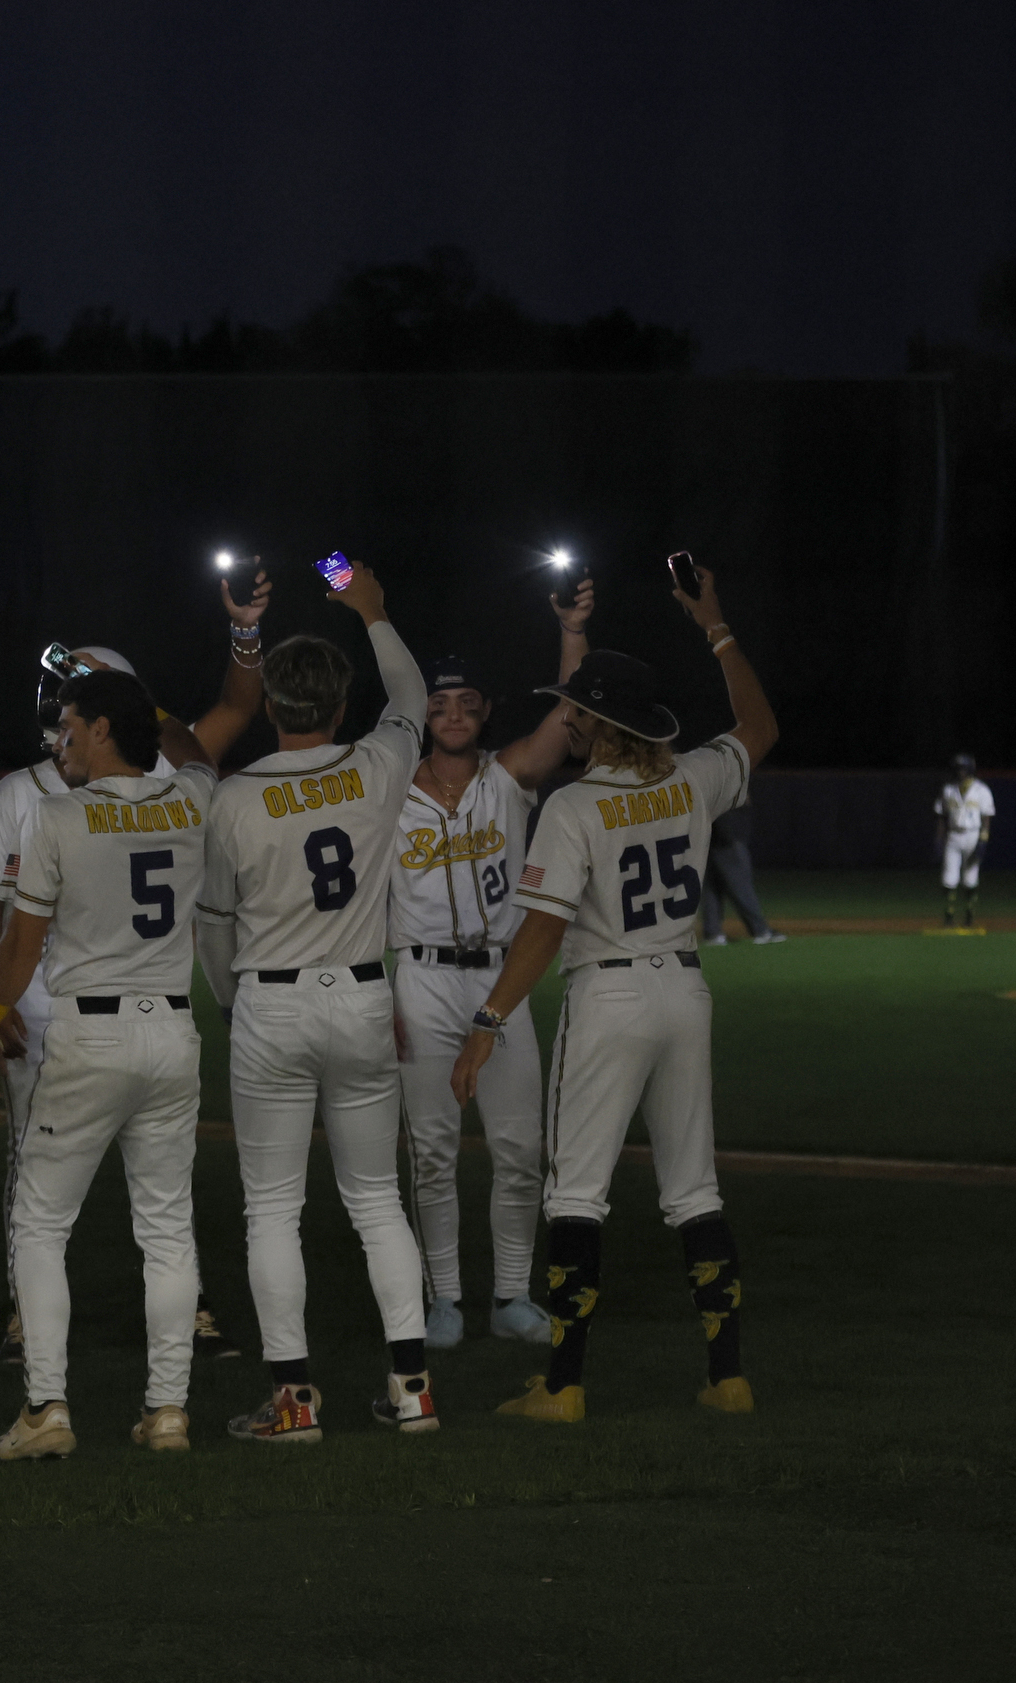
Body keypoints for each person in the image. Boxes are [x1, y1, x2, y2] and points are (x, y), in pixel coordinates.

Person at [456, 564, 777, 1421]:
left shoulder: (572, 809)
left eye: (575, 708)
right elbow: (760, 725)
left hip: (609, 999)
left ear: (596, 722)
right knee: (693, 1189)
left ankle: (561, 1387)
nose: (565, 715)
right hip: (684, 990)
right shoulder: (695, 779)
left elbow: (542, 931)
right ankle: (728, 1374)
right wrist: (715, 624)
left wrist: (488, 1019)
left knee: (574, 1194)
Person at [0, 574, 273, 1366]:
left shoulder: (57, 805)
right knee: (156, 1203)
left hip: (65, 1013)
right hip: (148, 1019)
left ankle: (44, 1372)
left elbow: (9, 927)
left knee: (43, 1200)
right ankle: (151, 1365)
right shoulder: (174, 791)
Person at [196, 560, 435, 1445]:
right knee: (376, 1200)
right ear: (338, 704)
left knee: (271, 1210)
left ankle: (292, 1400)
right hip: (364, 998)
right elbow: (407, 693)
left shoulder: (232, 799)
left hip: (273, 1004)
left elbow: (213, 929)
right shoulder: (377, 764)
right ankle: (412, 1386)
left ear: (270, 707)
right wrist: (372, 611)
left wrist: (234, 1005)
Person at [0, 670, 220, 1459]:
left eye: (72, 724)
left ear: (105, 730)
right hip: (172, 1033)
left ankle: (46, 1407)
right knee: (169, 1231)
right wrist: (155, 710)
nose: (59, 739)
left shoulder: (57, 814)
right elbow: (192, 754)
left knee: (40, 1224)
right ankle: (168, 1411)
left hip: (89, 1035)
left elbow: (20, 944)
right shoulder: (192, 802)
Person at [388, 577, 592, 1352]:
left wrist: (570, 631)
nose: (450, 715)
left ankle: (510, 1293)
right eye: (438, 705)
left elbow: (569, 715)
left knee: (517, 1147)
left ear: (484, 711)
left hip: (499, 980)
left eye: (465, 703)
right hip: (421, 979)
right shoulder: (388, 791)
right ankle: (444, 1298)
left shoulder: (506, 778)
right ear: (423, 716)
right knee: (432, 1150)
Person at [698, 804, 785, 946]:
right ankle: (761, 931)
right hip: (727, 839)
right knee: (740, 886)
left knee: (712, 887)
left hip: (709, 839)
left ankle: (712, 933)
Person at [937, 754, 995, 929]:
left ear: (970, 770)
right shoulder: (948, 790)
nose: (960, 772)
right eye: (958, 769)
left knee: (970, 879)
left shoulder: (981, 790)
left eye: (963, 768)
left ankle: (969, 916)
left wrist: (983, 840)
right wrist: (939, 839)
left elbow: (986, 818)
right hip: (953, 836)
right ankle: (949, 917)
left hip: (972, 834)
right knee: (949, 878)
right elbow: (941, 815)